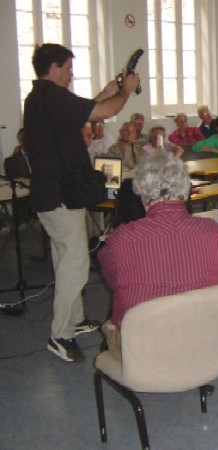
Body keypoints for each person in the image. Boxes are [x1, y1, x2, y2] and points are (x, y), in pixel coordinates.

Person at [23, 43, 139, 362]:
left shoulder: (40, 98)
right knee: (76, 262)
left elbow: (86, 108)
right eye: (69, 69)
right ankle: (60, 336)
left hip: (56, 195)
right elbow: (105, 111)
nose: (72, 75)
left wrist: (109, 89)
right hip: (58, 196)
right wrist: (125, 91)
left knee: (66, 258)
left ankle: (74, 320)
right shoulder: (52, 95)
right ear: (54, 68)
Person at [98, 152, 218, 361]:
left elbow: (113, 281)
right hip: (204, 346)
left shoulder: (121, 239)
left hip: (144, 353)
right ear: (186, 189)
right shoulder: (212, 231)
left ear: (139, 190)